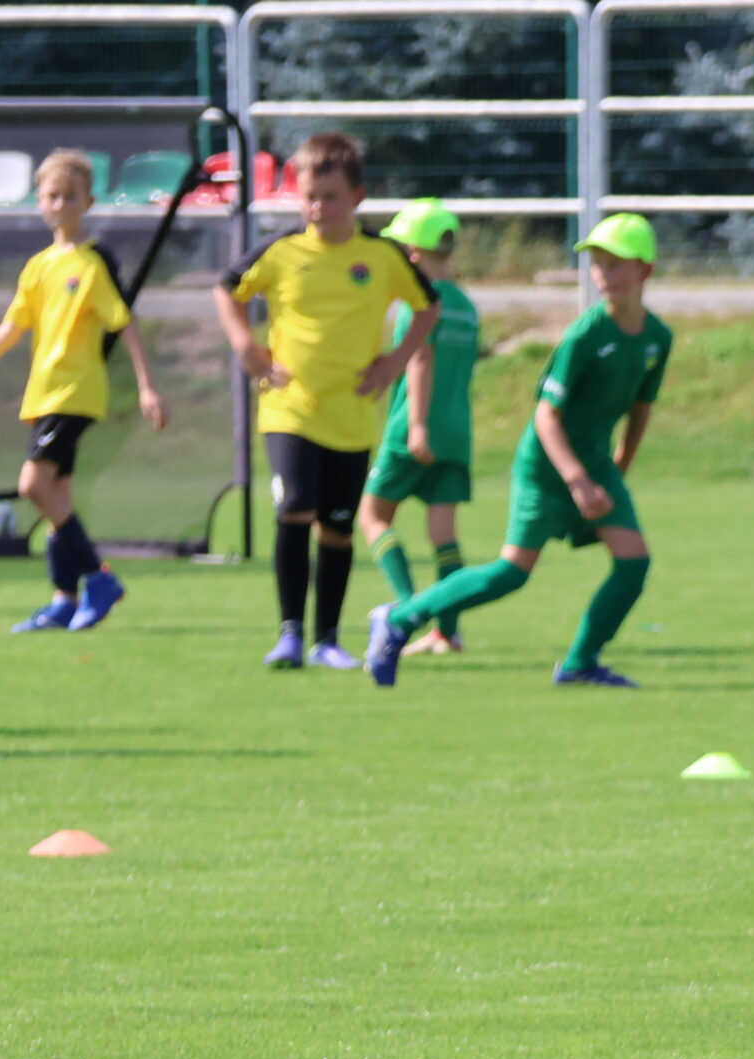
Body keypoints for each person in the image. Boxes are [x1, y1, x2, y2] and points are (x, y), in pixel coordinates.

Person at [365, 213, 671, 690]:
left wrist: (618, 469)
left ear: (644, 271)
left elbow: (641, 408)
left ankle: (580, 664)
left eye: (614, 265)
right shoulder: (586, 335)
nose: (602, 274)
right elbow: (546, 416)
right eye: (597, 264)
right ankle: (401, 618)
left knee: (634, 562)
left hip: (594, 465)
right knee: (512, 572)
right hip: (547, 466)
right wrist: (577, 480)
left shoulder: (657, 338)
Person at [212, 132, 438, 670]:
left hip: (352, 415)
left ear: (357, 196)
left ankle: (327, 641)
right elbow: (227, 289)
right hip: (289, 408)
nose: (317, 207)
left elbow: (428, 306)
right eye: (309, 196)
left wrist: (393, 362)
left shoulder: (380, 256)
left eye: (330, 197)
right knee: (295, 509)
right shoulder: (282, 251)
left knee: (337, 529)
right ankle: (289, 634)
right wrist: (246, 347)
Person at [0, 148, 167, 635]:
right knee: (56, 496)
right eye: (52, 195)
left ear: (88, 202)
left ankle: (98, 579)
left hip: (75, 392)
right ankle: (64, 601)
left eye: (70, 196)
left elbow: (125, 322)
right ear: (39, 201)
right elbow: (8, 331)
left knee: (33, 486)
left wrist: (148, 386)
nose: (61, 204)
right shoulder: (38, 267)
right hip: (44, 394)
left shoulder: (93, 263)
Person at [357, 198, 480, 658]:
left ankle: (409, 611)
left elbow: (421, 358)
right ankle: (448, 633)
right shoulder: (467, 306)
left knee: (372, 516)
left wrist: (417, 426)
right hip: (457, 432)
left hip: (414, 427)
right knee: (443, 534)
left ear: (411, 253)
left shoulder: (418, 300)